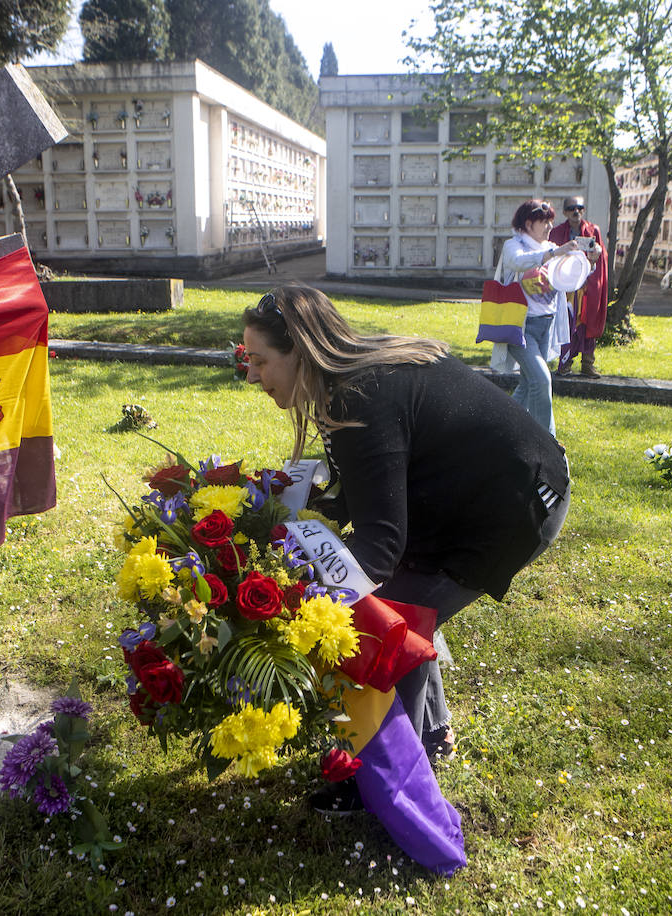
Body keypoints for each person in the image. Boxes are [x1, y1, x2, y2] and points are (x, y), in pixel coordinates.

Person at [242, 286, 571, 811]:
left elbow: (381, 548)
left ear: (300, 353)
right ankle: (432, 734)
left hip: (513, 507)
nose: (251, 375)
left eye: (260, 361)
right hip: (475, 493)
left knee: (391, 615)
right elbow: (373, 484)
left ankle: (390, 778)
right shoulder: (350, 383)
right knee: (403, 600)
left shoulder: (358, 399)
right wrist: (302, 509)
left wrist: (302, 598)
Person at [497, 200, 587, 435]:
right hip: (521, 327)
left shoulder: (551, 246)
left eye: (551, 222)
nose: (549, 227)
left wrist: (588, 257)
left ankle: (500, 430)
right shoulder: (514, 245)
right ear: (528, 224)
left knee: (529, 384)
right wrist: (553, 253)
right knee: (542, 380)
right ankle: (548, 442)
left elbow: (571, 275)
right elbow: (518, 262)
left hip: (546, 325)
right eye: (544, 222)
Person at [549, 196, 608, 378]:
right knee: (567, 323)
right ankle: (565, 362)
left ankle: (588, 364)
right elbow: (552, 259)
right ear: (565, 212)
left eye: (580, 208)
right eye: (571, 208)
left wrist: (595, 257)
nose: (576, 211)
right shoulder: (557, 232)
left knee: (588, 322)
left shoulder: (593, 230)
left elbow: (601, 260)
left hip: (587, 286)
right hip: (566, 287)